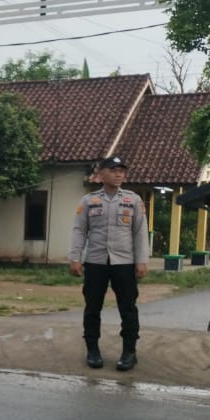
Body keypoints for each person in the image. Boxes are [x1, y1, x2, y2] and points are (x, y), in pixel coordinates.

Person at [68, 155, 149, 372]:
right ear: (101, 174)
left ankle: (129, 352)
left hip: (124, 262)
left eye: (122, 170)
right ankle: (92, 350)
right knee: (92, 307)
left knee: (128, 309)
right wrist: (75, 258)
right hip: (95, 262)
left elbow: (140, 232)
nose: (119, 174)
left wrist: (141, 261)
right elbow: (79, 231)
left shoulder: (133, 200)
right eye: (114, 170)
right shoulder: (88, 201)